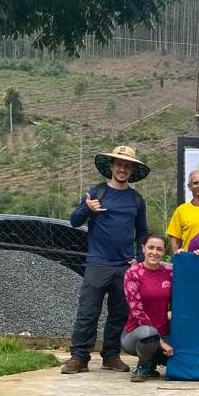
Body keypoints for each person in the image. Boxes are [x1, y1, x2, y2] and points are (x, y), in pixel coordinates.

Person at [62, 145, 149, 375]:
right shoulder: (96, 193)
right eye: (119, 164)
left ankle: (111, 355)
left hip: (124, 266)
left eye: (127, 165)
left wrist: (138, 259)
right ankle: (79, 356)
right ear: (111, 167)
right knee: (88, 311)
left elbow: (142, 233)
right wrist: (87, 209)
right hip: (97, 263)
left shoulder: (136, 200)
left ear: (132, 170)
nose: (122, 169)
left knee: (119, 313)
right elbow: (73, 221)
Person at [120, 235, 173, 383]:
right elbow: (137, 311)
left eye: (159, 249)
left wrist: (192, 255)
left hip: (165, 331)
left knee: (184, 354)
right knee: (149, 334)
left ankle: (152, 362)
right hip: (137, 334)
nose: (154, 252)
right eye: (151, 248)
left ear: (164, 252)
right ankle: (142, 366)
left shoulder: (170, 272)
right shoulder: (132, 273)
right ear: (143, 248)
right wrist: (161, 342)